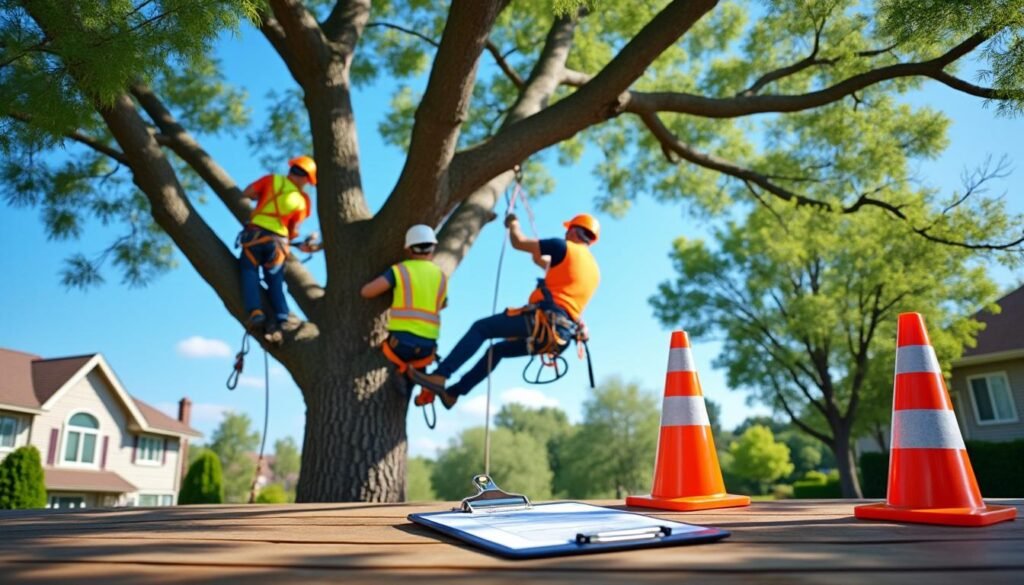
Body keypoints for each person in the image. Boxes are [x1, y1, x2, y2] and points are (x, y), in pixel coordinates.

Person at [413, 213, 601, 408]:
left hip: (543, 322)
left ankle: (440, 376)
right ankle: (453, 393)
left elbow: (518, 242)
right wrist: (537, 252)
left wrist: (513, 224)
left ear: (572, 230)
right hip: (560, 337)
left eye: (567, 231)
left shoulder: (562, 247)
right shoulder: (594, 271)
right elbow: (542, 263)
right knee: (498, 351)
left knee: (481, 328)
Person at [238, 155, 318, 344]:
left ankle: (256, 310)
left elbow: (247, 192)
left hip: (254, 236)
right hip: (279, 243)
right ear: (306, 178)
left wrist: (260, 197)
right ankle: (282, 316)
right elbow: (293, 230)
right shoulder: (302, 201)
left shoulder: (272, 180)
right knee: (275, 280)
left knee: (249, 271)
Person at [361, 225, 448, 383]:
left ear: (408, 249)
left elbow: (368, 292)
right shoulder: (441, 276)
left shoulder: (401, 270)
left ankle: (400, 374)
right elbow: (443, 304)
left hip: (401, 342)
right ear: (433, 248)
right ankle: (412, 380)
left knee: (386, 353)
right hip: (428, 346)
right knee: (415, 370)